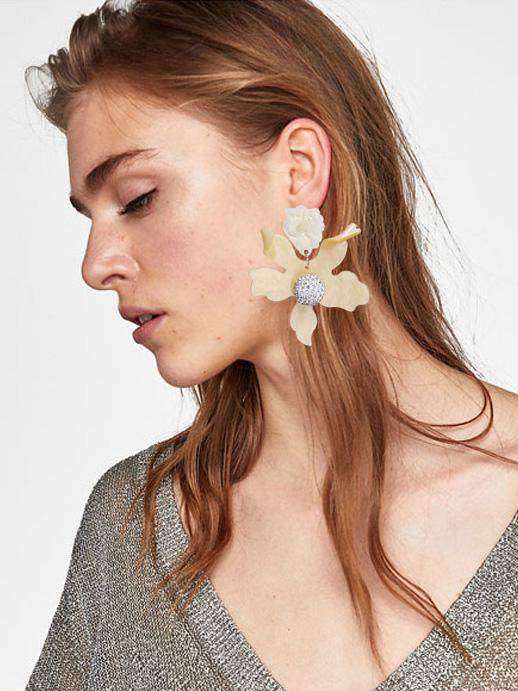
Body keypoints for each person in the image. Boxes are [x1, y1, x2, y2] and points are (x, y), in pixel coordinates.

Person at [24, 1, 517, 689]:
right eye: (91, 216)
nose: (94, 264)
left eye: (137, 198)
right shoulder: (132, 534)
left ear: (298, 170)